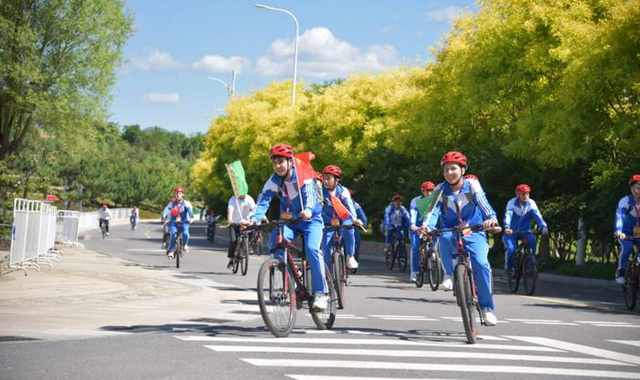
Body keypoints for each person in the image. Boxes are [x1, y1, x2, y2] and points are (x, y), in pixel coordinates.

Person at [245, 143, 329, 311]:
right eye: (274, 162)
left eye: (281, 162)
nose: (277, 166)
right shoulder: (274, 180)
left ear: (290, 161)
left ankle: (321, 294)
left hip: (311, 219)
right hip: (290, 220)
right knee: (276, 242)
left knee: (312, 249)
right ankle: (291, 283)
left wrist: (308, 210)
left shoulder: (302, 173)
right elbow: (263, 200)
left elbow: (310, 196)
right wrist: (254, 218)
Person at [423, 151, 500, 326]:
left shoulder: (472, 185)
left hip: (473, 230)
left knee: (481, 264)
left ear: (463, 170)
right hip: (449, 229)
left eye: (453, 169)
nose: (449, 173)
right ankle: (449, 274)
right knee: (444, 237)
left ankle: (487, 309)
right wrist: (427, 227)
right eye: (446, 170)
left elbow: (483, 202)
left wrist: (491, 218)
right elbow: (431, 211)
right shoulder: (439, 189)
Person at [502, 184, 549, 279]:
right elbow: (508, 216)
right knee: (511, 249)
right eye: (523, 194)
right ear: (517, 195)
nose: (526, 196)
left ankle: (530, 265)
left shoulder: (531, 203)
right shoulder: (511, 203)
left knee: (532, 241)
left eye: (527, 194)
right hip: (511, 232)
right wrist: (507, 227)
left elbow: (538, 217)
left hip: (525, 231)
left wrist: (544, 227)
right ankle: (509, 269)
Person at [321, 165, 362, 270]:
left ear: (337, 180)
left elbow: (350, 206)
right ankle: (328, 275)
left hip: (343, 219)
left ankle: (350, 256)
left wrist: (354, 219)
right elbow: (317, 208)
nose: (325, 181)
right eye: (324, 178)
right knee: (325, 247)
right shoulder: (320, 191)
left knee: (349, 230)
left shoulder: (343, 191)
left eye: (328, 178)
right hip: (327, 221)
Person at [614, 174, 640, 284]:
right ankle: (621, 270)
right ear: (631, 188)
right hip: (625, 233)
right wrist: (619, 231)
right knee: (627, 247)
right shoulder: (625, 201)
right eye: (637, 187)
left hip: (638, 234)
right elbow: (619, 216)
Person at [409, 181, 436, 282]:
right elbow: (413, 213)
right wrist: (413, 226)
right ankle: (414, 272)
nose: (429, 193)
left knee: (437, 235)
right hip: (416, 227)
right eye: (426, 191)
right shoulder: (415, 201)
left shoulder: (435, 200)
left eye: (431, 191)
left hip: (428, 226)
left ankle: (433, 250)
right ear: (422, 191)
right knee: (415, 247)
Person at [162, 187, 193, 259]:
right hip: (173, 222)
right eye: (176, 193)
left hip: (184, 222)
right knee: (173, 234)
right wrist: (165, 218)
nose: (178, 195)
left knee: (186, 234)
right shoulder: (171, 203)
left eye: (179, 193)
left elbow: (190, 211)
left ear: (183, 194)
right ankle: (171, 251)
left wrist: (191, 218)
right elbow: (166, 211)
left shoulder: (187, 203)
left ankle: (185, 245)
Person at [226, 194, 256, 268]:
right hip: (235, 223)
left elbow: (254, 210)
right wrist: (230, 220)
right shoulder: (233, 200)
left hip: (247, 222)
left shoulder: (250, 199)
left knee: (254, 231)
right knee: (233, 240)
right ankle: (231, 260)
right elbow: (230, 210)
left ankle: (248, 245)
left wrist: (253, 220)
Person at [350, 189, 368, 263]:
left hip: (353, 227)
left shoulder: (356, 205)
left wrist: (363, 223)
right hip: (341, 227)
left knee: (357, 240)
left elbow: (363, 218)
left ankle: (354, 258)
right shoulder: (337, 203)